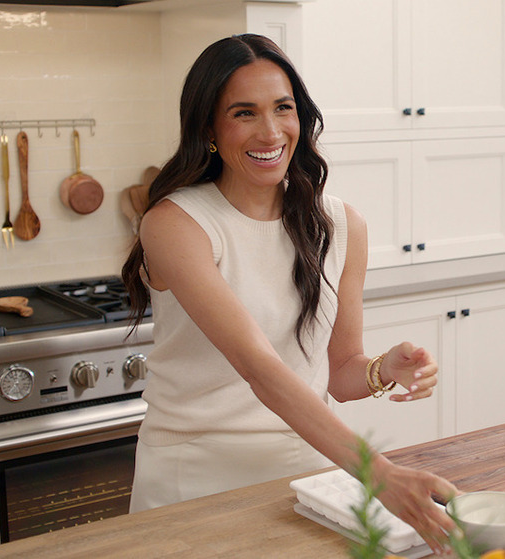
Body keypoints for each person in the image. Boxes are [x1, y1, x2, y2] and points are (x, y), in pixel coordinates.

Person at [122, 33, 458, 554]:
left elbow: (338, 373)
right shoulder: (176, 225)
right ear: (209, 128)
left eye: (284, 108)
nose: (271, 130)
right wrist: (381, 474)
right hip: (193, 478)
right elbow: (260, 370)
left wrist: (383, 369)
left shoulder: (341, 224)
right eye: (244, 113)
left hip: (308, 477)